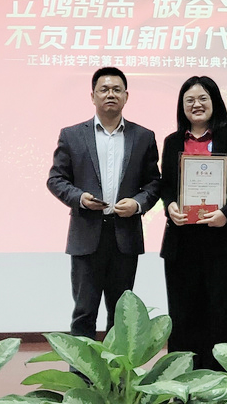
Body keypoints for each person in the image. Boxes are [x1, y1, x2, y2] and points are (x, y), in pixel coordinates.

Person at [48, 67, 161, 340]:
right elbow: (56, 179)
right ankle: (82, 366)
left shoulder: (143, 136)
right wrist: (80, 198)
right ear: (93, 96)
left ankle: (117, 368)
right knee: (84, 312)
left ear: (126, 96)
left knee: (121, 315)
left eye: (116, 90)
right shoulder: (72, 135)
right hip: (86, 235)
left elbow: (154, 183)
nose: (111, 94)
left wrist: (138, 204)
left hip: (125, 236)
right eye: (104, 89)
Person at [160, 75, 227, 371]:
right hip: (182, 242)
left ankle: (217, 381)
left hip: (222, 240)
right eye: (189, 100)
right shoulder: (172, 141)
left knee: (220, 314)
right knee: (182, 315)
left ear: (215, 102)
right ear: (182, 106)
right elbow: (166, 185)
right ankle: (182, 379)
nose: (196, 104)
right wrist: (170, 206)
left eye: (203, 98)